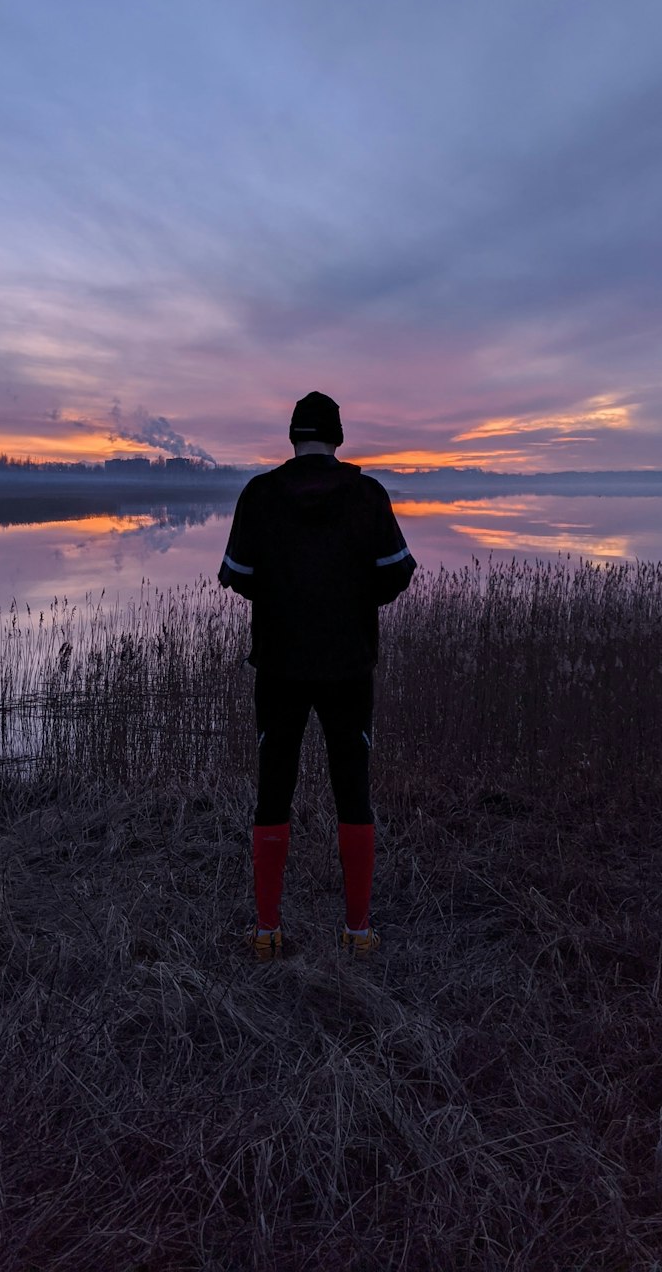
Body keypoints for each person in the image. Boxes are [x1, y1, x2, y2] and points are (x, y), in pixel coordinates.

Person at [218, 391, 417, 960]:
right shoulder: (367, 495)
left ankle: (266, 931)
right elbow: (398, 574)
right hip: (349, 666)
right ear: (338, 438)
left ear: (291, 437)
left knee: (272, 788)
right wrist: (356, 602)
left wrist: (283, 597)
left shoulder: (259, 495)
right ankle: (357, 933)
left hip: (278, 666)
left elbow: (237, 575)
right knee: (353, 789)